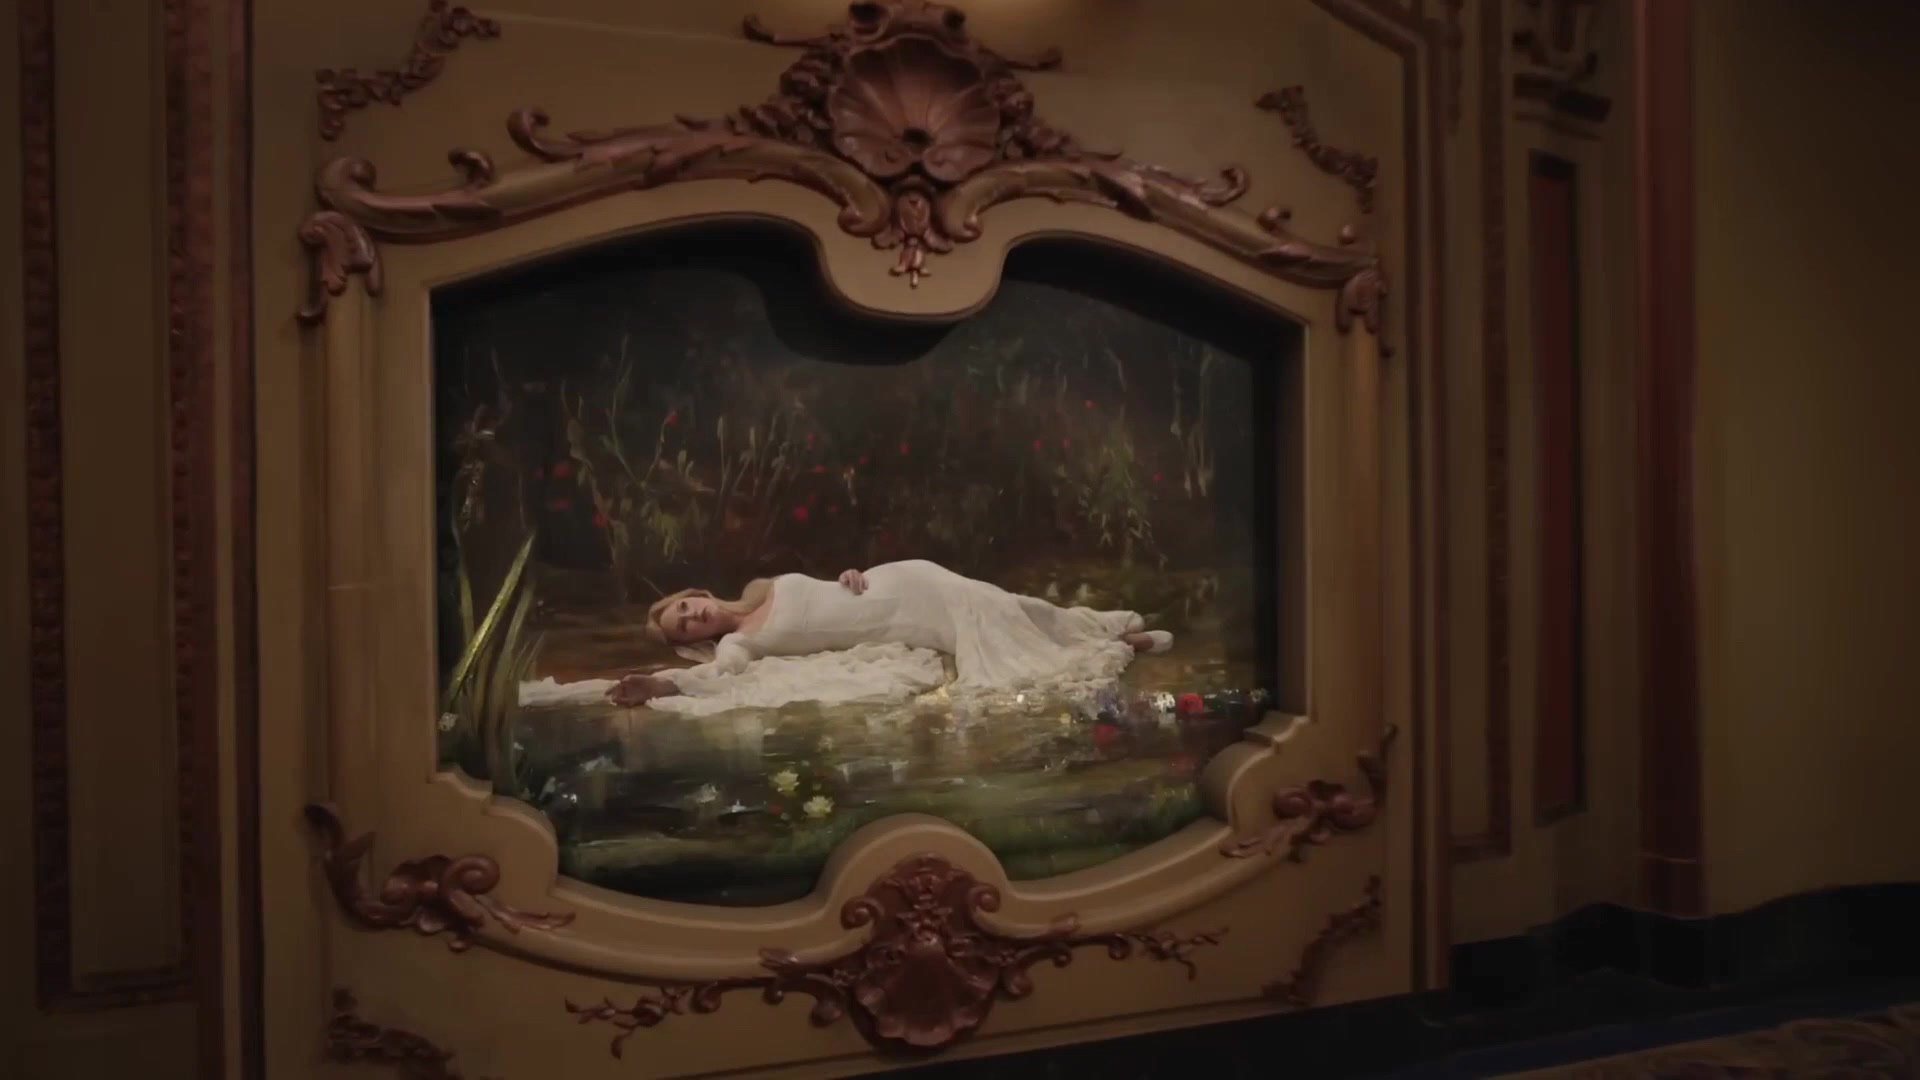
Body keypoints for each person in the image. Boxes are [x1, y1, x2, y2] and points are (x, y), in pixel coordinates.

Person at [608, 559, 1171, 707]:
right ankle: (1112, 643)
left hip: (901, 579)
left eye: (687, 606)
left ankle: (1101, 633)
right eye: (684, 625)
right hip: (898, 620)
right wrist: (661, 684)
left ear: (698, 594)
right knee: (991, 629)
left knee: (1003, 604)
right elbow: (720, 675)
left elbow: (827, 588)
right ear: (688, 640)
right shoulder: (738, 644)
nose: (694, 616)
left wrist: (850, 572)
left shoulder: (760, 586)